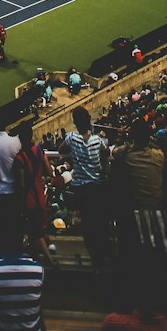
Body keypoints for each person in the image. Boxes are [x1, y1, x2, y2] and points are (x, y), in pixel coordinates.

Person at [60, 107, 111, 270]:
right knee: (99, 223)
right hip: (97, 186)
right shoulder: (97, 140)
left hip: (82, 189)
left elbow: (61, 150)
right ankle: (101, 259)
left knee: (89, 225)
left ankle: (96, 261)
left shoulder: (71, 138)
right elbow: (105, 152)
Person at [13, 120, 54, 260]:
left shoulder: (19, 158)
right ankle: (39, 254)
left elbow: (22, 184)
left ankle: (49, 260)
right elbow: (49, 171)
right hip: (41, 195)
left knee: (35, 232)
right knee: (40, 228)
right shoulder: (39, 150)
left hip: (30, 200)